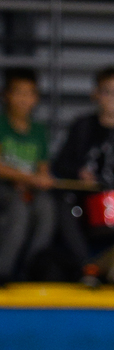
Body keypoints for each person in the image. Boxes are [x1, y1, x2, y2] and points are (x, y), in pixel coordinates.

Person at [51, 65, 114, 279]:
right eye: (107, 91)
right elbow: (60, 164)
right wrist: (79, 173)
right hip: (85, 202)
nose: (112, 98)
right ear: (96, 94)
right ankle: (86, 266)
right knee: (60, 204)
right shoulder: (82, 126)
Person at [0, 65, 55, 282]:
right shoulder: (2, 125)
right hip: (5, 188)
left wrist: (40, 180)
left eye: (29, 93)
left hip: (29, 188)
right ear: (6, 95)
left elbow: (43, 169)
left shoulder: (39, 130)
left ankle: (32, 270)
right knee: (18, 208)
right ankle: (4, 271)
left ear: (36, 98)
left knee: (46, 207)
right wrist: (27, 178)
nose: (23, 99)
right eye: (18, 93)